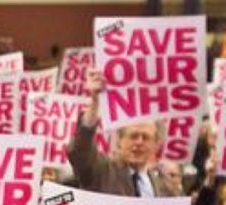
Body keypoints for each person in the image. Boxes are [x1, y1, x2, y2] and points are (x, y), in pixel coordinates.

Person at [67, 68, 182, 198]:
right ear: (119, 141)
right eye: (133, 136)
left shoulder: (164, 187)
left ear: (156, 144)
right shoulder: (102, 171)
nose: (139, 142)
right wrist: (95, 102)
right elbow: (79, 151)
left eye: (145, 137)